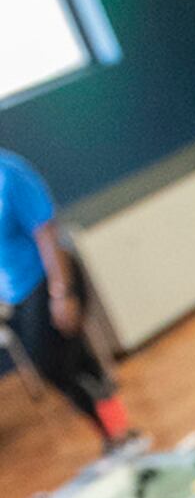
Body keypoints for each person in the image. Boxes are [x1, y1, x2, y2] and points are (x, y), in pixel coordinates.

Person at [0, 149, 133, 449]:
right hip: (15, 297)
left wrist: (61, 293)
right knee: (71, 363)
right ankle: (113, 434)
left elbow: (46, 231)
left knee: (58, 364)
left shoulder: (9, 173)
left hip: (47, 282)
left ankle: (117, 432)